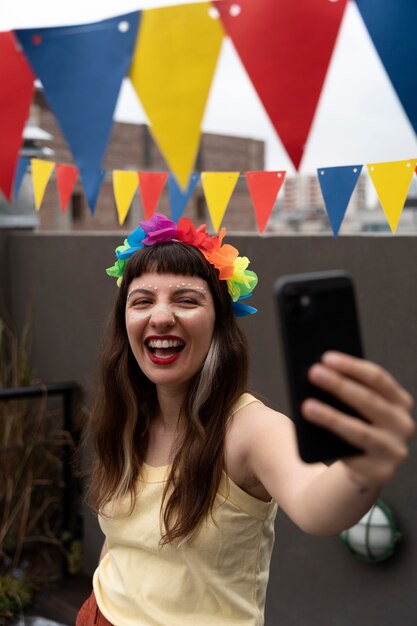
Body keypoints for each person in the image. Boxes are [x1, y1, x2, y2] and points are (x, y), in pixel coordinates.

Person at [76, 213, 414, 626]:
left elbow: (316, 505)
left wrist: (362, 465)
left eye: (186, 299)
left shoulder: (251, 430)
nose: (161, 316)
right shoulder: (127, 416)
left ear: (219, 323)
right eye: (142, 300)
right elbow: (121, 542)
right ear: (124, 321)